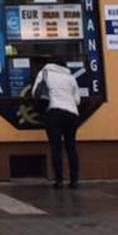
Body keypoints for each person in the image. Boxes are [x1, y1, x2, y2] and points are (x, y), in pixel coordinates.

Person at [32, 56, 81, 189]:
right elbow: (77, 100)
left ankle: (59, 181)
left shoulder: (44, 73)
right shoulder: (70, 77)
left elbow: (35, 92)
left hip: (54, 112)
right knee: (71, 147)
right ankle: (74, 180)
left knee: (56, 148)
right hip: (72, 114)